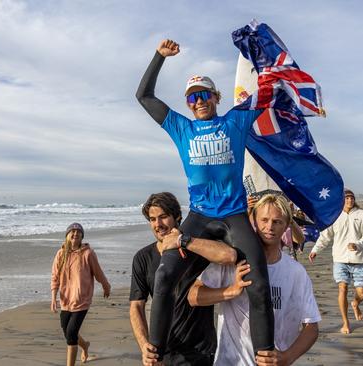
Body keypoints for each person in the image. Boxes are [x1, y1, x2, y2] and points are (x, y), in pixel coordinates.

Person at [136, 39, 274, 359]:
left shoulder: (235, 121)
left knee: (259, 281)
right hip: (199, 216)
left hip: (234, 215)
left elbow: (268, 91)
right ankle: (155, 351)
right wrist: (159, 56)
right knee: (164, 276)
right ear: (188, 104)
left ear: (216, 97)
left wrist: (262, 53)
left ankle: (266, 354)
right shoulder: (180, 128)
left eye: (204, 95)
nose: (199, 101)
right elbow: (143, 96)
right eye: (193, 97)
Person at [189, 194, 320, 365]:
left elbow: (311, 327)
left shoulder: (296, 272)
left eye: (277, 221)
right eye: (264, 220)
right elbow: (192, 296)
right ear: (254, 222)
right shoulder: (232, 263)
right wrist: (230, 291)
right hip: (230, 360)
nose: (269, 227)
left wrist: (287, 357)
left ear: (287, 225)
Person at [130, 192, 237, 365]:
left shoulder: (196, 249)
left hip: (200, 351)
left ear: (178, 217)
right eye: (152, 219)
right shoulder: (143, 258)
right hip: (163, 351)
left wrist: (185, 241)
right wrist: (144, 345)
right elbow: (136, 305)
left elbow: (228, 255)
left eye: (163, 217)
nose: (158, 224)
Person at [309, 189, 363, 334]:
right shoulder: (334, 216)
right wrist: (315, 250)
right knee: (342, 288)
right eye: (346, 198)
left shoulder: (362, 215)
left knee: (361, 293)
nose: (349, 200)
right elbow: (325, 236)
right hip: (340, 259)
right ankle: (345, 322)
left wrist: (358, 244)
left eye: (351, 197)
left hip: (359, 259)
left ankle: (355, 303)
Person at [51, 222, 111, 366]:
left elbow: (98, 272)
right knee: (67, 332)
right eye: (72, 231)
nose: (75, 234)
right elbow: (55, 277)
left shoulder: (88, 253)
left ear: (82, 236)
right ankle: (85, 346)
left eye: (78, 232)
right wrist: (53, 297)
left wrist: (105, 285)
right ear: (67, 235)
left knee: (71, 334)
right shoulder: (60, 254)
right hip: (66, 300)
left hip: (82, 300)